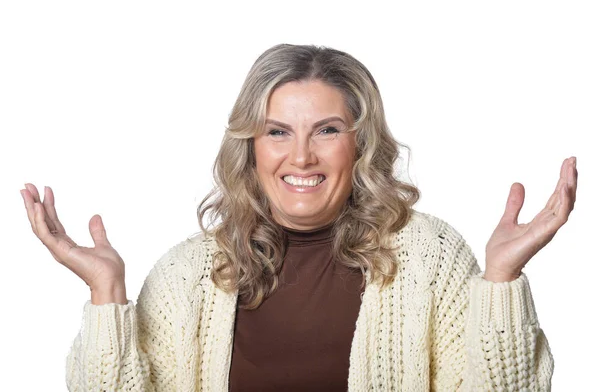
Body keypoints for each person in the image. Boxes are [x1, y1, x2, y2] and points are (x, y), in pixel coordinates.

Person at [21, 44, 576, 391]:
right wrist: (106, 292)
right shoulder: (185, 276)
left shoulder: (431, 257)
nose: (302, 156)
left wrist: (500, 280)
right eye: (278, 131)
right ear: (252, 146)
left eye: (327, 130)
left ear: (361, 143)